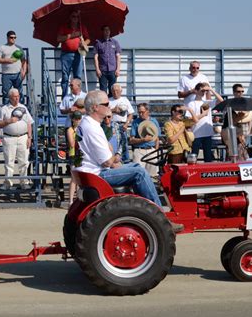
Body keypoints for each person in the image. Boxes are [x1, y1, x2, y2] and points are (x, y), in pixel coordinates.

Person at [74, 90, 184, 232]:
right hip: (97, 174)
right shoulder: (93, 128)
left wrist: (112, 156)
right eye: (106, 104)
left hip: (90, 172)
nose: (110, 107)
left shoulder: (86, 124)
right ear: (95, 107)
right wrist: (113, 155)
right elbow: (107, 161)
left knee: (135, 165)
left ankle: (144, 213)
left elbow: (106, 156)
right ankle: (161, 218)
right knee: (139, 172)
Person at [0, 88, 34, 189]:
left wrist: (29, 137)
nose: (17, 98)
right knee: (9, 161)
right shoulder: (4, 109)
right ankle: (8, 182)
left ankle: (24, 182)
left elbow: (29, 123)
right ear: (10, 97)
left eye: (18, 96)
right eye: (14, 97)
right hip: (9, 137)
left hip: (23, 137)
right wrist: (8, 121)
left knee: (24, 161)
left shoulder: (23, 108)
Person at [56, 11, 91, 99]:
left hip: (78, 53)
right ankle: (65, 97)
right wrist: (72, 35)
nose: (75, 18)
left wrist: (84, 43)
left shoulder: (82, 27)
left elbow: (88, 39)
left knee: (78, 76)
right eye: (73, 16)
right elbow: (59, 39)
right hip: (66, 54)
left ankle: (77, 97)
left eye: (76, 17)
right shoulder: (64, 27)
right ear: (70, 18)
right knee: (65, 77)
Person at [186, 82, 224, 162]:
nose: (203, 92)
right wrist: (203, 115)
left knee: (208, 158)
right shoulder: (191, 104)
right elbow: (189, 118)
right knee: (194, 157)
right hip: (196, 134)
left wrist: (210, 90)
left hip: (207, 133)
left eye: (204, 91)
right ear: (196, 91)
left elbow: (221, 101)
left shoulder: (206, 102)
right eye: (201, 90)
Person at [220, 83, 252, 161]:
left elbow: (250, 119)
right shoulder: (231, 105)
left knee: (244, 156)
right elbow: (231, 121)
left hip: (244, 134)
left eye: (242, 91)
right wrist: (240, 117)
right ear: (234, 92)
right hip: (233, 135)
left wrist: (248, 131)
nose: (241, 93)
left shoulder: (245, 104)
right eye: (238, 91)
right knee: (234, 157)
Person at [0, 31, 27, 105]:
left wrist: (24, 71)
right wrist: (7, 60)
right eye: (11, 37)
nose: (13, 39)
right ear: (7, 38)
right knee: (6, 94)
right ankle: (6, 111)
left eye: (15, 37)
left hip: (17, 74)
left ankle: (20, 108)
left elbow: (24, 61)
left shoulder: (19, 48)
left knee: (19, 93)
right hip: (6, 74)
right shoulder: (2, 47)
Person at [129, 103, 161, 178]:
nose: (140, 114)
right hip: (139, 150)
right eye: (139, 112)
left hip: (152, 150)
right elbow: (131, 140)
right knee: (137, 175)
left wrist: (156, 151)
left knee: (153, 176)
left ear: (148, 111)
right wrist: (143, 140)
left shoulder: (154, 121)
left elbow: (157, 138)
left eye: (142, 112)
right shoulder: (135, 122)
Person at [93, 25, 121, 98]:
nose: (107, 31)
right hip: (102, 70)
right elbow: (95, 57)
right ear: (102, 31)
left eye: (108, 30)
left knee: (113, 90)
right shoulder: (98, 42)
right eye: (105, 30)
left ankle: (111, 106)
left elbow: (118, 56)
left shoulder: (115, 42)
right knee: (103, 91)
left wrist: (118, 69)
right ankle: (104, 106)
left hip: (113, 70)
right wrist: (97, 69)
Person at [109, 83, 134, 162]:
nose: (115, 92)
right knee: (113, 144)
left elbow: (131, 113)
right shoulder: (109, 101)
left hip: (122, 124)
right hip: (112, 125)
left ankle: (126, 161)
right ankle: (114, 161)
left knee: (123, 144)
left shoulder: (125, 100)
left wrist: (127, 123)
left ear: (121, 91)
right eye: (113, 91)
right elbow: (105, 112)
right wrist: (113, 110)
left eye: (117, 91)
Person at [66, 110, 82, 206]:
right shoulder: (70, 130)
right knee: (74, 179)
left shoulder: (82, 129)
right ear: (73, 119)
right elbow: (72, 144)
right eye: (76, 118)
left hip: (81, 154)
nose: (78, 120)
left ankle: (80, 199)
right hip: (74, 155)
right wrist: (77, 133)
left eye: (79, 118)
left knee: (81, 178)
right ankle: (71, 201)